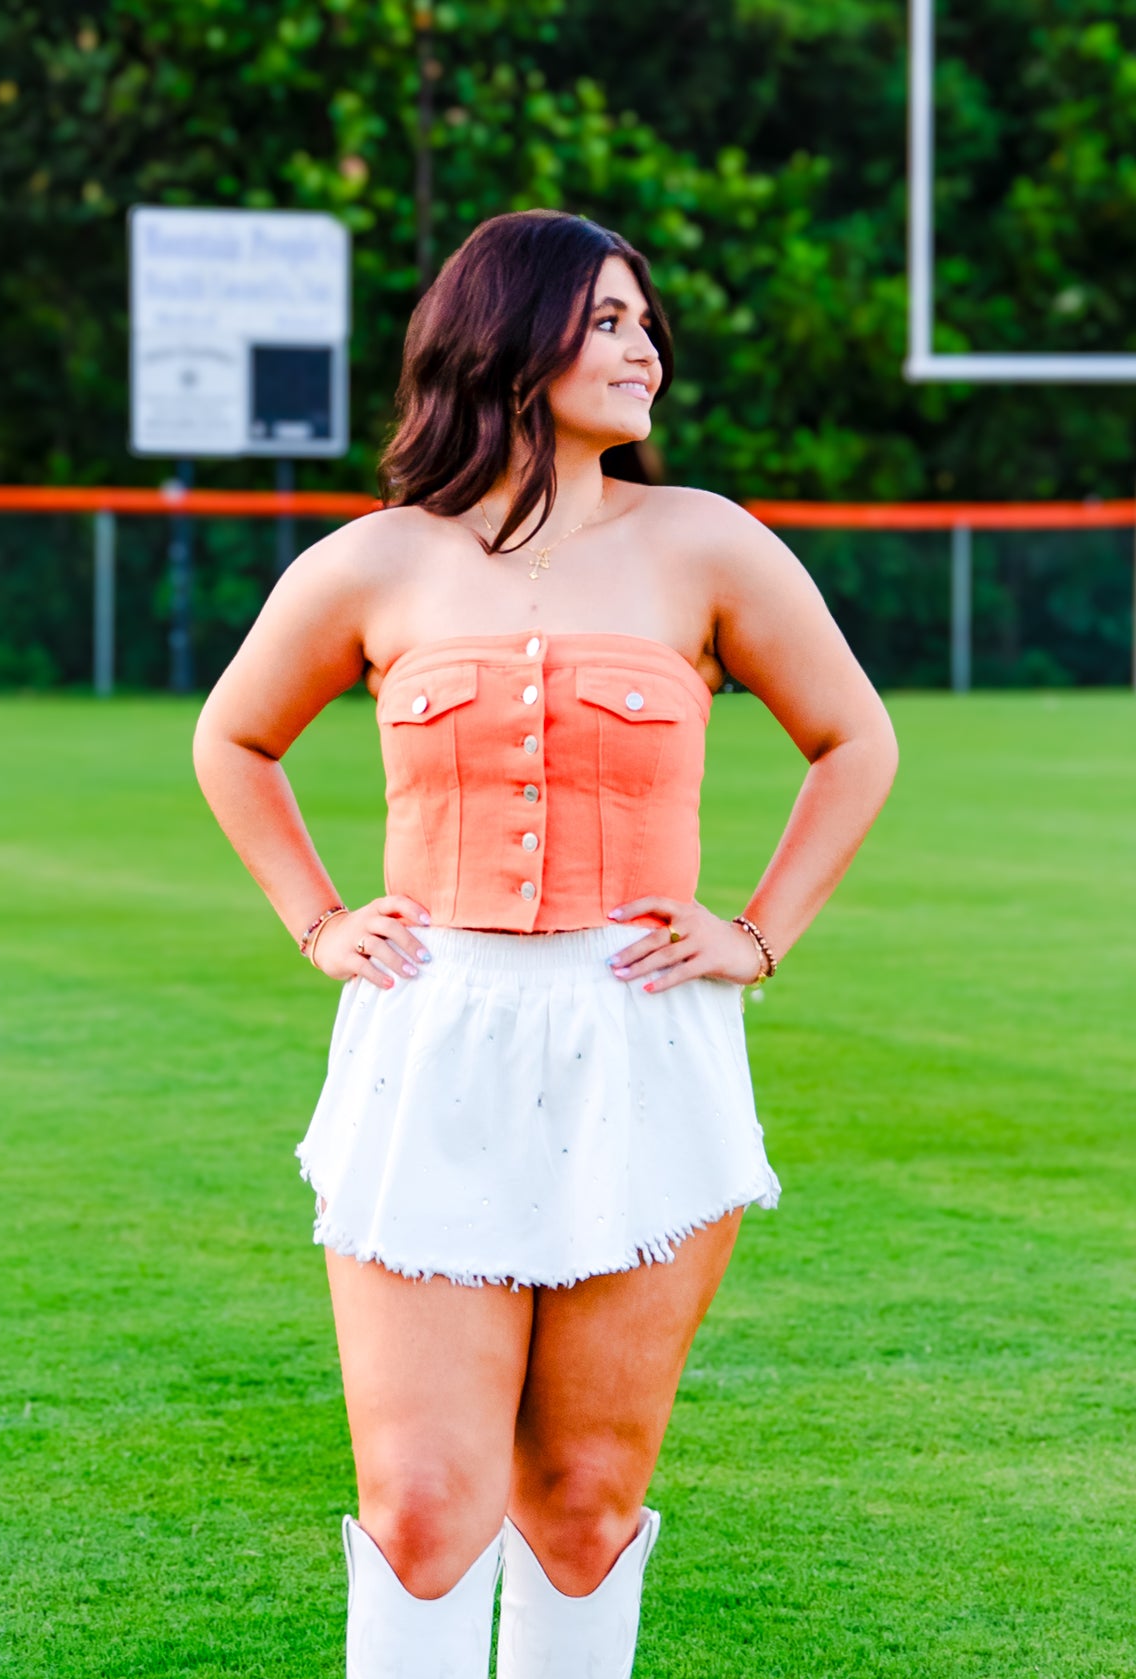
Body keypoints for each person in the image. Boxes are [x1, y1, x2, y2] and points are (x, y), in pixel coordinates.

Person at [192, 208, 899, 1679]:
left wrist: (759, 934)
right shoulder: (377, 561)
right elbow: (235, 738)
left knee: (581, 1505)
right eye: (608, 319)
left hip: (644, 1043)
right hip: (432, 1040)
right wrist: (319, 920)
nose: (644, 349)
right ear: (508, 336)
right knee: (425, 1507)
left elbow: (856, 743)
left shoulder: (703, 540)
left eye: (648, 323)